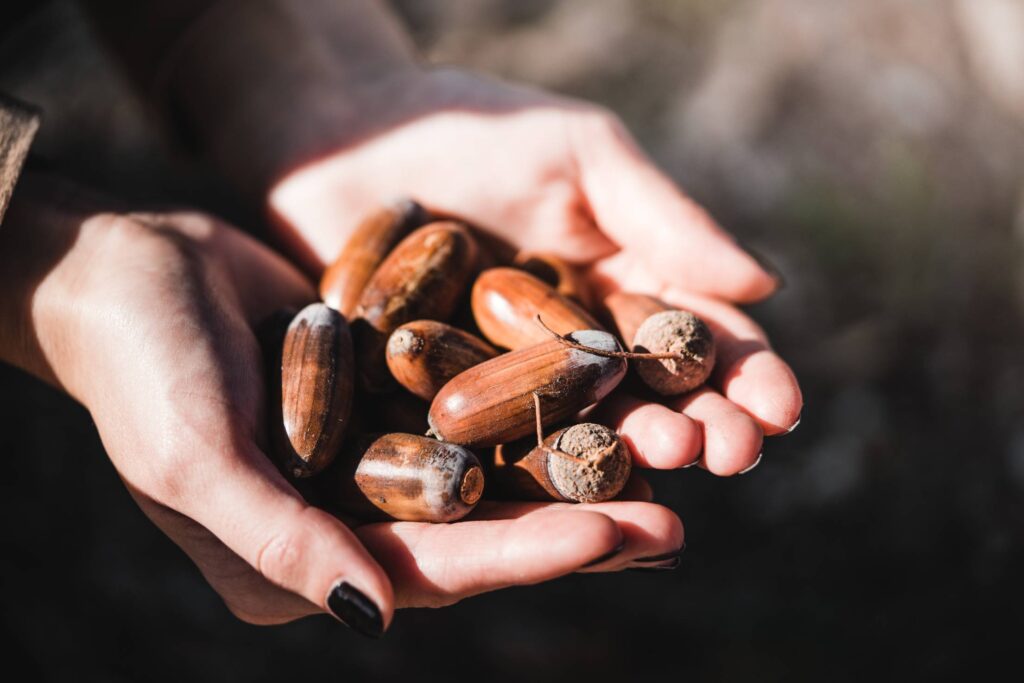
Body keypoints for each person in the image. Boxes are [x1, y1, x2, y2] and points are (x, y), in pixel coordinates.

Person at [0, 0, 802, 638]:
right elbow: (443, 382)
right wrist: (56, 264)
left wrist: (306, 92)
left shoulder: (482, 355)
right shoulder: (441, 366)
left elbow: (455, 379)